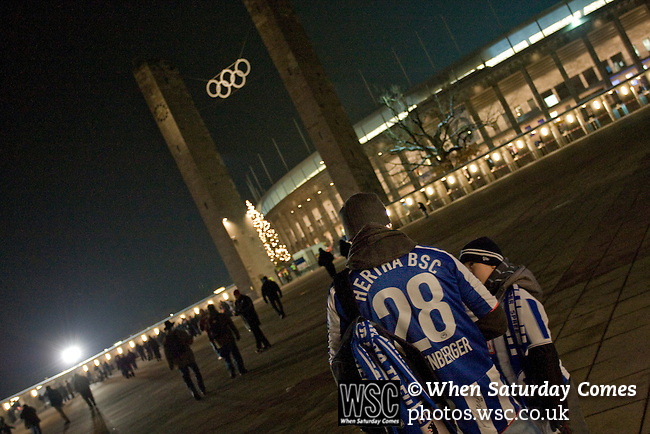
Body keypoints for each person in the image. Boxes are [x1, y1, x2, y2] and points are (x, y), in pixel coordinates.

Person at [327, 192, 540, 434]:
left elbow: (342, 365)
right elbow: (496, 320)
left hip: (420, 419)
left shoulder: (342, 291)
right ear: (389, 224)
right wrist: (460, 341)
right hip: (488, 402)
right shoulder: (439, 258)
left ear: (349, 239)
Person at [460, 237, 589, 434]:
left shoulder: (519, 298)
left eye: (472, 265)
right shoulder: (483, 308)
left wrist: (556, 409)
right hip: (524, 400)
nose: (468, 272)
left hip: (553, 392)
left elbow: (543, 353)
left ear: (492, 264)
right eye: (464, 268)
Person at [162, 320, 206, 400]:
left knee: (186, 377)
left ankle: (193, 391)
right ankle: (202, 388)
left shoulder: (166, 339)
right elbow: (190, 341)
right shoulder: (180, 333)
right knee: (196, 372)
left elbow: (167, 353)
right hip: (188, 356)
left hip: (178, 360)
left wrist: (170, 364)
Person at [205, 304, 248, 378]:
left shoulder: (209, 321)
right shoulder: (222, 316)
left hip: (220, 341)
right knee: (236, 355)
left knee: (227, 358)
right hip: (228, 337)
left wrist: (214, 344)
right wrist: (236, 333)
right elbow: (231, 325)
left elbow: (209, 334)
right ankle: (241, 369)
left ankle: (232, 372)